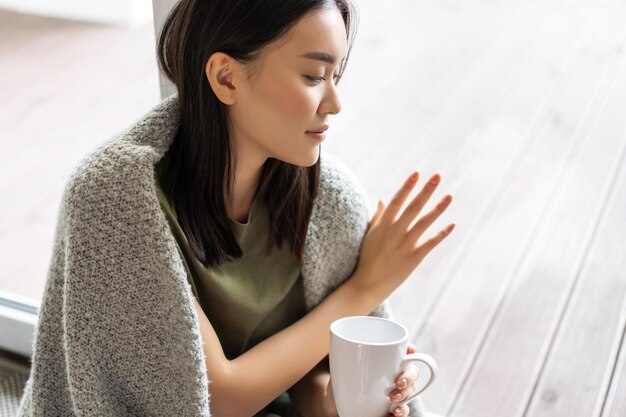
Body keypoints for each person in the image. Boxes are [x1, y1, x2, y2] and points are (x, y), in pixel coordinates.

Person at [16, 0, 454, 416]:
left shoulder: (328, 201)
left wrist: (338, 401)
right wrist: (364, 289)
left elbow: (305, 375)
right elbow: (215, 399)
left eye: (336, 74)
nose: (335, 103)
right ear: (226, 77)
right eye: (314, 76)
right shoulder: (115, 199)